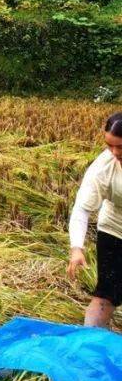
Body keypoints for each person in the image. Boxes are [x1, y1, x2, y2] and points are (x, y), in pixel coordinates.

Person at [67, 112, 122, 327]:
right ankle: (90, 343)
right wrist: (76, 248)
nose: (115, 152)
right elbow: (82, 209)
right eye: (110, 145)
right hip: (115, 229)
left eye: (121, 147)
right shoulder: (102, 168)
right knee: (107, 293)